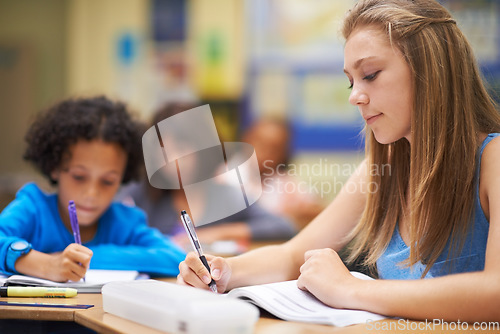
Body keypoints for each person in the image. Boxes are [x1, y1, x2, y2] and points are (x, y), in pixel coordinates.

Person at [177, 0, 500, 322]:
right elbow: (292, 255)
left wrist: (350, 289)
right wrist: (224, 270)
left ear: (429, 70)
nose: (354, 95)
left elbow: (494, 293)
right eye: (351, 80)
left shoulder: (494, 159)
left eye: (370, 75)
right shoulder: (382, 170)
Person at [0, 96, 186, 282]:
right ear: (55, 167)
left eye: (107, 181)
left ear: (123, 177)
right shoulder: (33, 209)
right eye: (79, 177)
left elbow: (174, 257)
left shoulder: (124, 222)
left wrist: (91, 257)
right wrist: (46, 264)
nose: (92, 193)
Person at [116, 102, 297, 244]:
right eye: (163, 151)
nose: (172, 160)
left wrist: (219, 234)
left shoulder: (226, 195)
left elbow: (283, 226)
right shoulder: (143, 193)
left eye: (181, 148)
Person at [242, 118, 325, 230]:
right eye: (260, 143)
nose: (265, 153)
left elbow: (319, 210)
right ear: (246, 141)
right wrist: (287, 217)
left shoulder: (286, 181)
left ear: (283, 154)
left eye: (274, 148)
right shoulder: (227, 177)